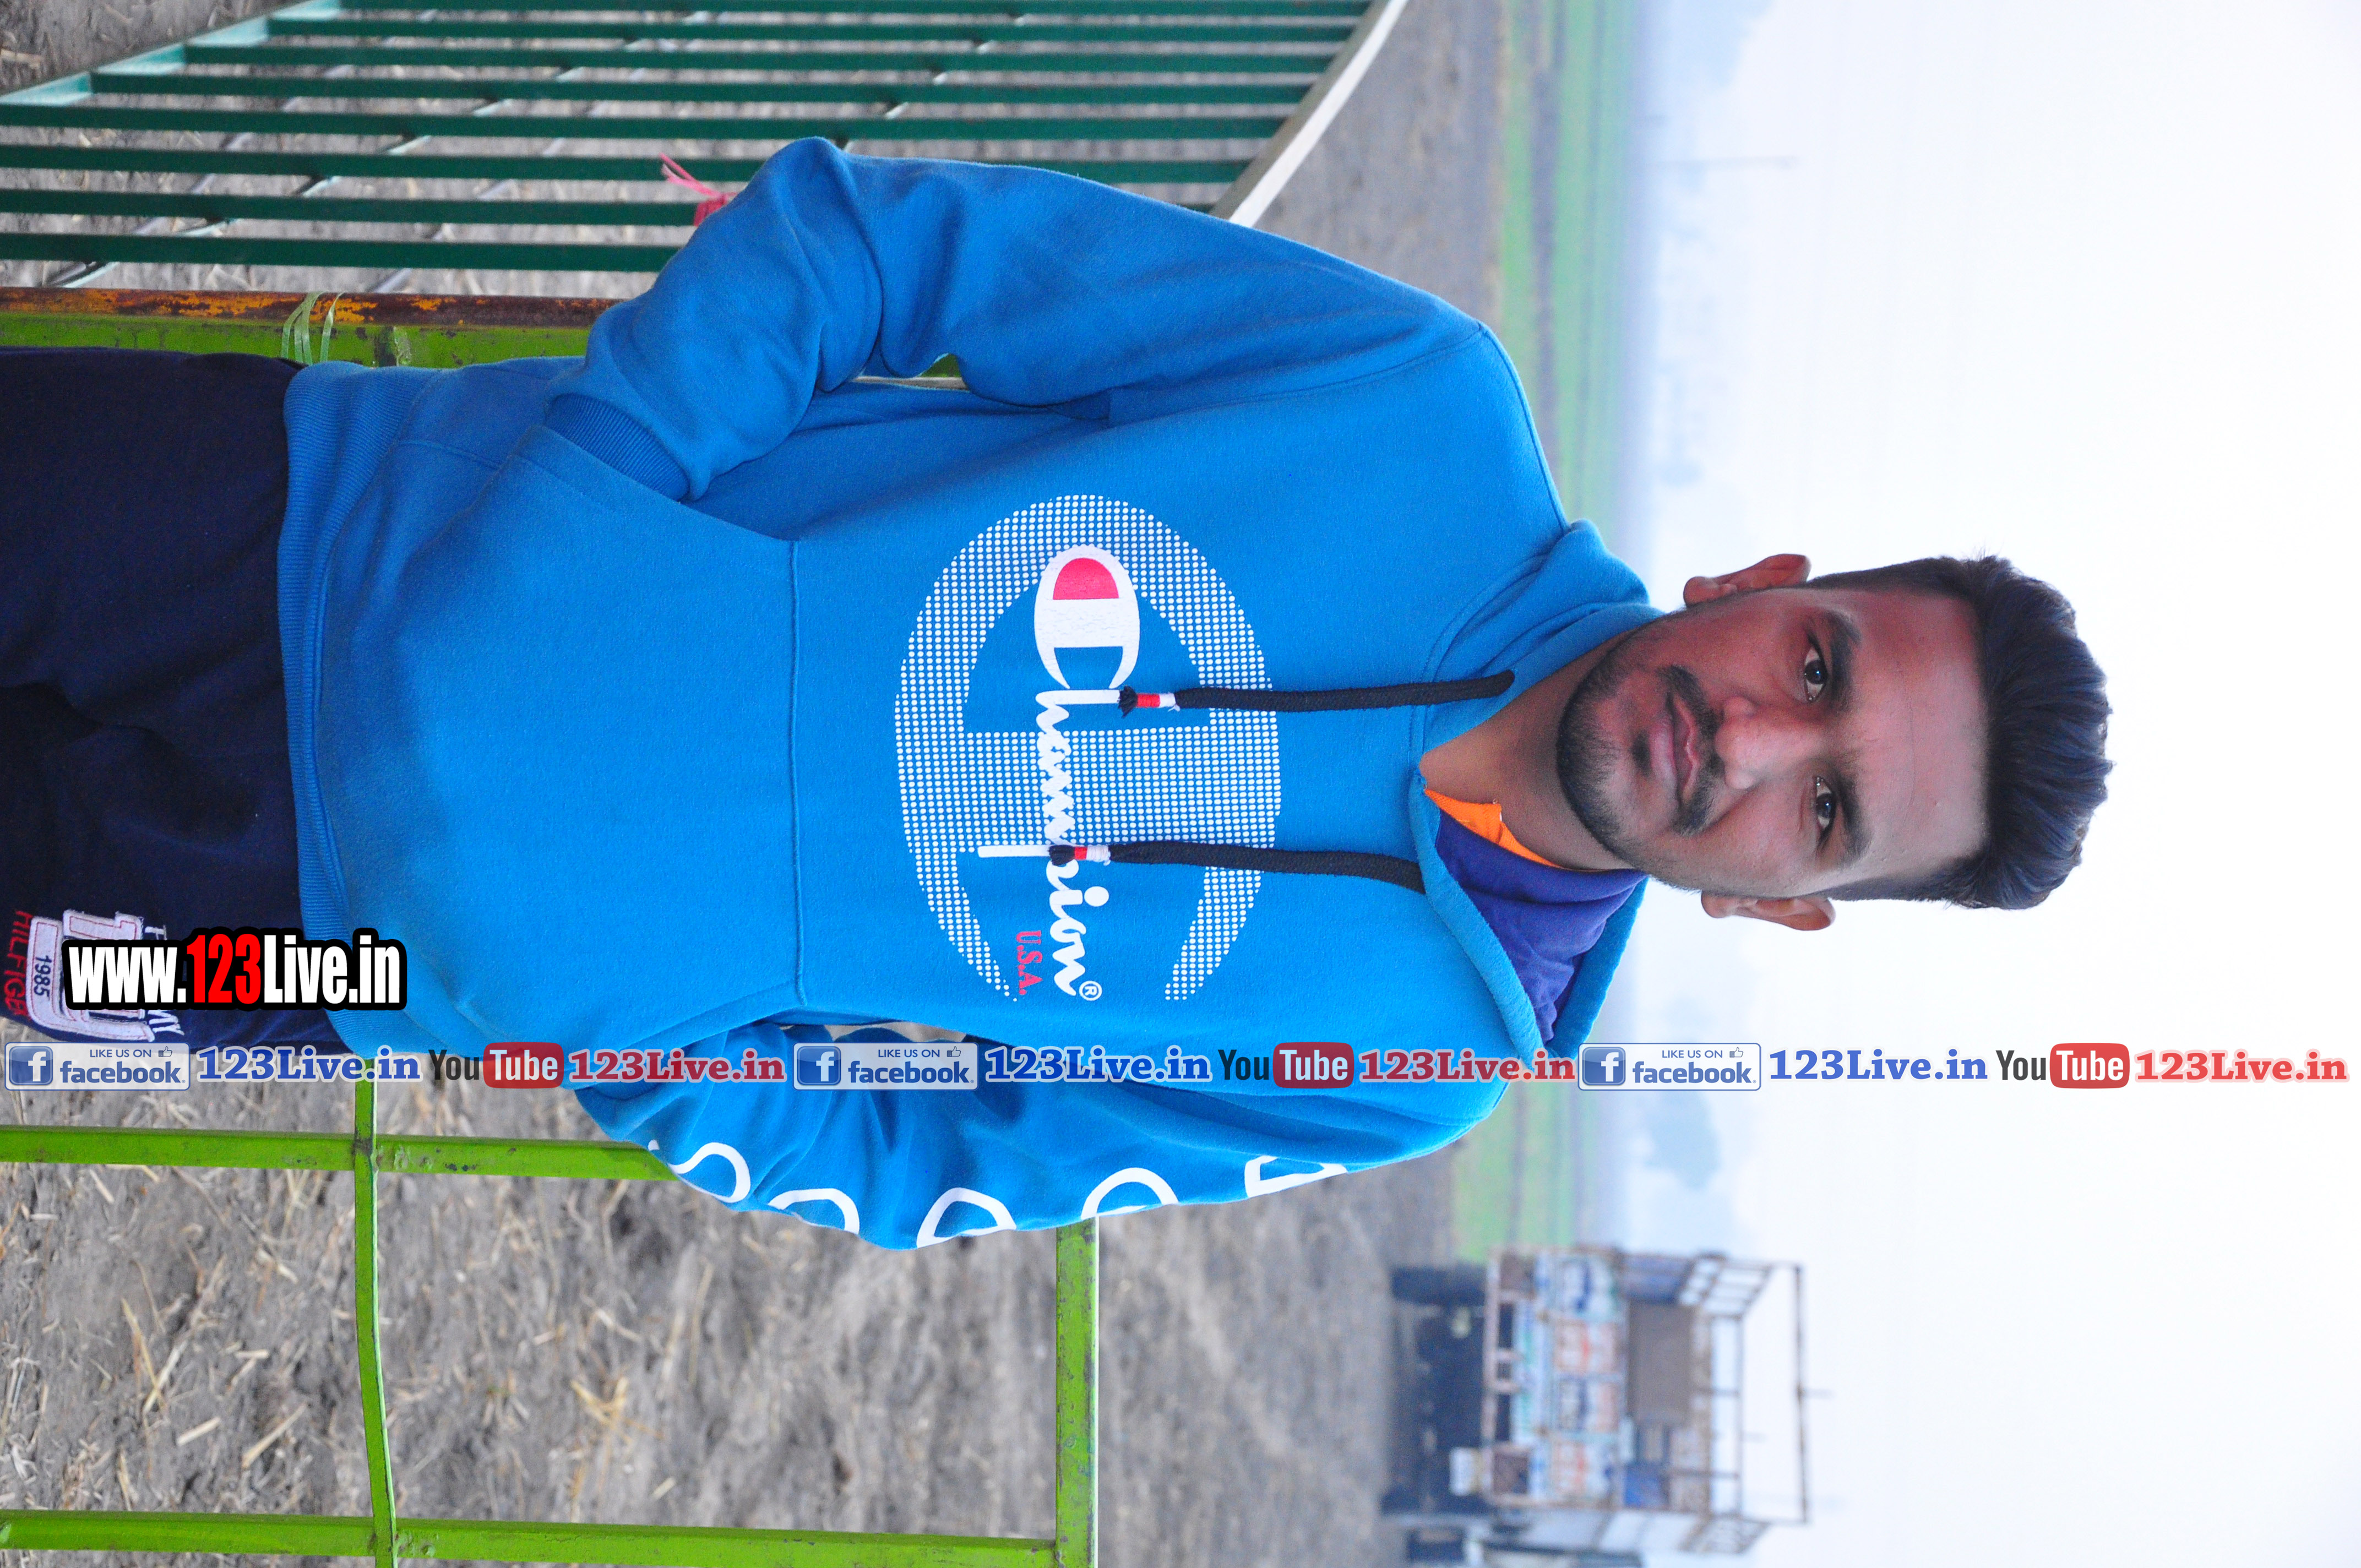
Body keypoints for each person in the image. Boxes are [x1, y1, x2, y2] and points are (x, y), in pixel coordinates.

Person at [1, 140, 2110, 1245]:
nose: (1752, 740)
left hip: (335, 961)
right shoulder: (1416, 407)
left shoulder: (1422, 1068)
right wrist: (593, 486)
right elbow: (879, 246)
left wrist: (625, 1039)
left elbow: (938, 1160)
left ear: (1782, 903)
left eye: (1828, 806)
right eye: (1814, 665)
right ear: (1765, 586)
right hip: (308, 525)